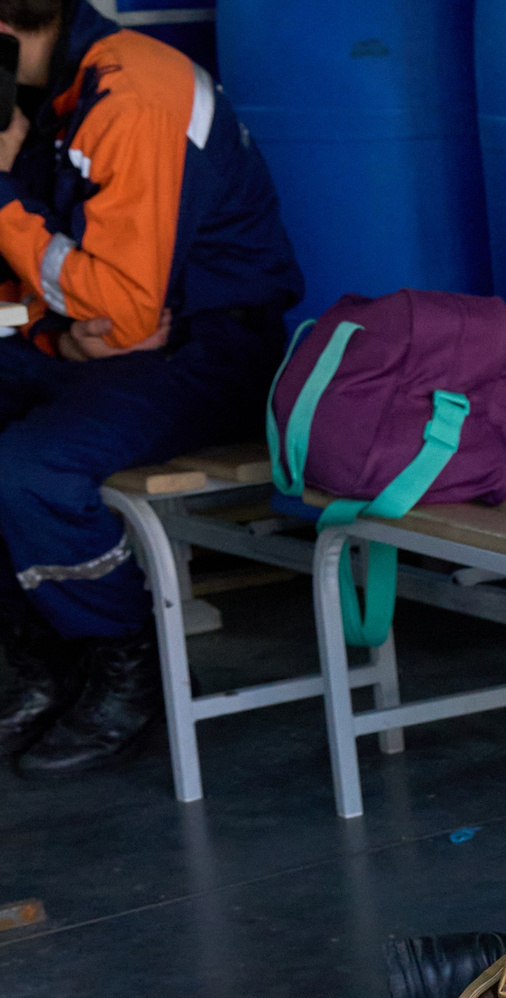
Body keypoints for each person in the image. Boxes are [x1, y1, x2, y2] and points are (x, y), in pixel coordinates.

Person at [0, 0, 299, 776]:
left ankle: (126, 665)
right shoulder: (61, 98)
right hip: (118, 351)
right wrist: (55, 334)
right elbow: (71, 292)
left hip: (213, 352)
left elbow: (124, 308)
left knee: (31, 469)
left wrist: (0, 199)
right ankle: (42, 662)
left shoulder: (131, 91)